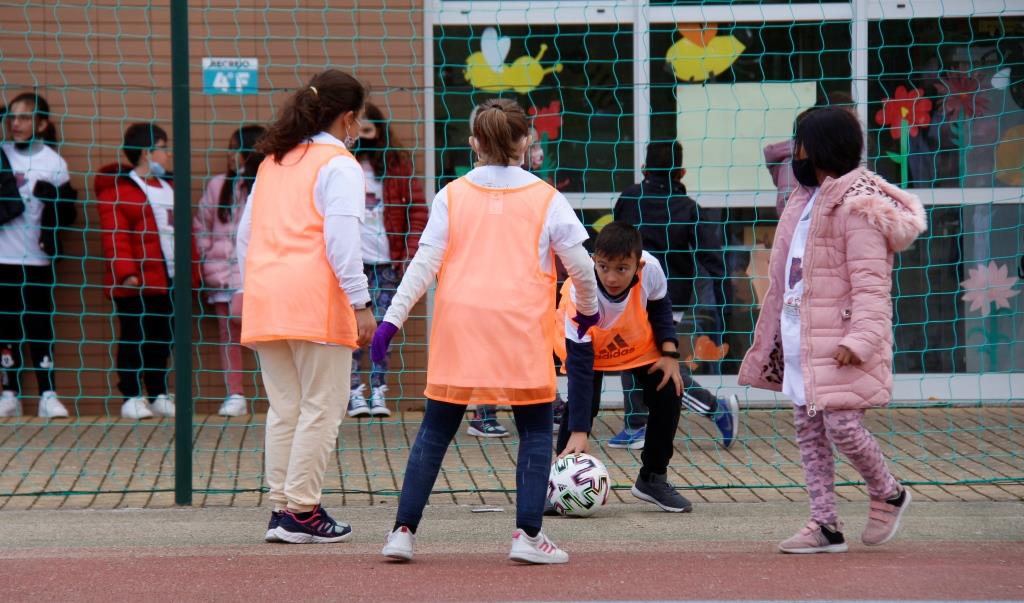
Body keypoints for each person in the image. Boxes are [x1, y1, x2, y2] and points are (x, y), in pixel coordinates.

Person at [372, 98, 599, 564]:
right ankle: (528, 537)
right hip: (520, 327)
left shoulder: (451, 194)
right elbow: (580, 265)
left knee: (435, 430)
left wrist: (391, 320)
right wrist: (590, 312)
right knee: (535, 430)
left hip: (461, 326)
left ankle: (401, 532)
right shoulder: (546, 197)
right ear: (527, 140)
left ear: (474, 143)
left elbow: (424, 265)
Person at [739, 107, 924, 553]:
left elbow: (871, 284)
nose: (795, 150)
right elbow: (779, 157)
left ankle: (889, 491)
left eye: (802, 141)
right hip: (801, 333)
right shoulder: (806, 197)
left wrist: (858, 341)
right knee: (808, 428)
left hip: (839, 341)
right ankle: (825, 525)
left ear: (820, 147)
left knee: (842, 425)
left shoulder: (857, 207)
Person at [236, 69, 376, 545]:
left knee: (286, 408)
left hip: (265, 300)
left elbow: (244, 237)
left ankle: (283, 508)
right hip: (315, 301)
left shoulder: (272, 161)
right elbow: (341, 241)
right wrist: (360, 301)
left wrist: (254, 283)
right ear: (349, 117)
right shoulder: (339, 165)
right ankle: (302, 509)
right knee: (322, 407)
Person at [556, 221, 725, 513]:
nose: (611, 277)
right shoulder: (580, 288)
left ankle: (652, 478)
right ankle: (558, 485)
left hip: (634, 341)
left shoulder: (652, 269)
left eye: (622, 268)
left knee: (669, 387)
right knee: (581, 407)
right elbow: (581, 368)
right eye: (604, 266)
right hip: (589, 348)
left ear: (638, 264)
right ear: (594, 260)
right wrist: (581, 430)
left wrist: (670, 354)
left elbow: (660, 307)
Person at [612, 141, 736, 449]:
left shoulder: (629, 199)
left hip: (634, 290)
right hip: (672, 295)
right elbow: (712, 259)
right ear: (681, 172)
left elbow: (615, 240)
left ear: (644, 168)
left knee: (648, 359)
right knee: (636, 356)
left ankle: (714, 409)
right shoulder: (688, 208)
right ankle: (638, 423)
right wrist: (724, 302)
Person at [96, 123, 199, 419]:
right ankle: (130, 395)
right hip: (137, 280)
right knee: (133, 336)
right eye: (163, 148)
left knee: (162, 337)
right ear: (146, 153)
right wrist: (126, 272)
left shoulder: (170, 187)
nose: (167, 155)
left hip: (169, 279)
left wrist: (191, 275)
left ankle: (156, 393)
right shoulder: (119, 191)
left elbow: (184, 234)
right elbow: (115, 236)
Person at [345, 102, 427, 419]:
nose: (363, 135)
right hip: (354, 262)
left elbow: (417, 209)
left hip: (386, 262)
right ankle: (354, 393)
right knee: (351, 330)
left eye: (369, 128)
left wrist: (409, 251)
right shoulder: (340, 163)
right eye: (357, 128)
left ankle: (378, 390)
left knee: (382, 327)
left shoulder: (396, 164)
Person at [0, 93, 77, 419]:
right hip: (3, 258)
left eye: (25, 117)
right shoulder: (1, 155)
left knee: (39, 325)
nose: (16, 124)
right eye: (11, 117)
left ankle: (48, 394)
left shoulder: (53, 162)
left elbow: (68, 214)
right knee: (7, 326)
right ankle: (9, 393)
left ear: (42, 124)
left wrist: (56, 201)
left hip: (37, 259)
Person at [194, 125, 266, 417]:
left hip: (256, 276)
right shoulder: (218, 185)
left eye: (235, 149)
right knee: (228, 336)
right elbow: (202, 224)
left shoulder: (265, 185)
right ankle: (235, 393)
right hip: (222, 274)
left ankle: (277, 390)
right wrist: (207, 254)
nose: (230, 155)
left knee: (267, 336)